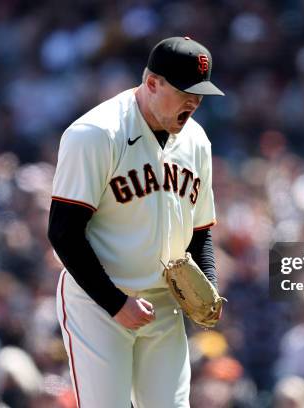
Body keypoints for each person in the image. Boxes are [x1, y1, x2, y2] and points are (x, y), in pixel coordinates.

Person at [47, 36, 224, 408]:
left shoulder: (196, 141)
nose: (194, 102)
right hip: (99, 304)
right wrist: (115, 303)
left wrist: (207, 287)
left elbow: (201, 231)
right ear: (152, 83)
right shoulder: (95, 134)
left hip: (164, 304)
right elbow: (63, 232)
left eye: (200, 93)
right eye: (184, 91)